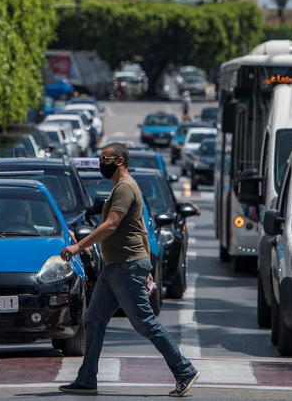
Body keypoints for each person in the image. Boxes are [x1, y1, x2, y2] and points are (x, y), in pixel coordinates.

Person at [58, 142, 199, 396]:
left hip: (126, 266)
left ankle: (184, 370)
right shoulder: (121, 188)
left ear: (120, 160)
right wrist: (147, 264)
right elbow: (143, 230)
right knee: (93, 320)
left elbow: (111, 225)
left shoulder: (124, 187)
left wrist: (79, 245)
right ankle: (87, 378)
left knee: (145, 323)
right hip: (117, 267)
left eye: (106, 158)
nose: (102, 163)